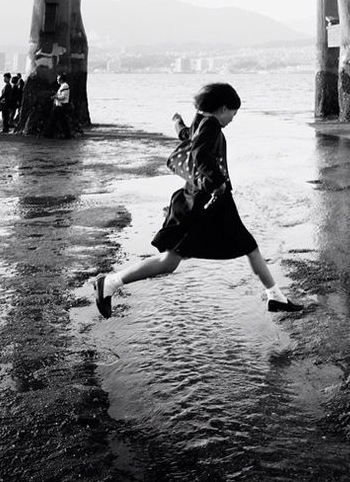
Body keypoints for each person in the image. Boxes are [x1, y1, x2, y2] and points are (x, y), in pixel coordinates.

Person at [92, 82, 303, 319]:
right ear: (223, 108)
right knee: (188, 258)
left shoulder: (201, 121)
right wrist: (219, 182)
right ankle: (109, 282)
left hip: (203, 200)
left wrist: (177, 123)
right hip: (206, 202)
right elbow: (200, 154)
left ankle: (275, 297)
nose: (233, 118)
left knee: (187, 258)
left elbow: (186, 136)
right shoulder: (211, 124)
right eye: (233, 113)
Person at [47, 73, 74, 138]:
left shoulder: (64, 86)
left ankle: (66, 135)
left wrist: (55, 97)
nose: (57, 80)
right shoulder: (63, 86)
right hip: (59, 106)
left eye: (58, 79)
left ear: (61, 79)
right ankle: (51, 134)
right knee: (58, 121)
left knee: (61, 121)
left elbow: (63, 97)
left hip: (61, 106)